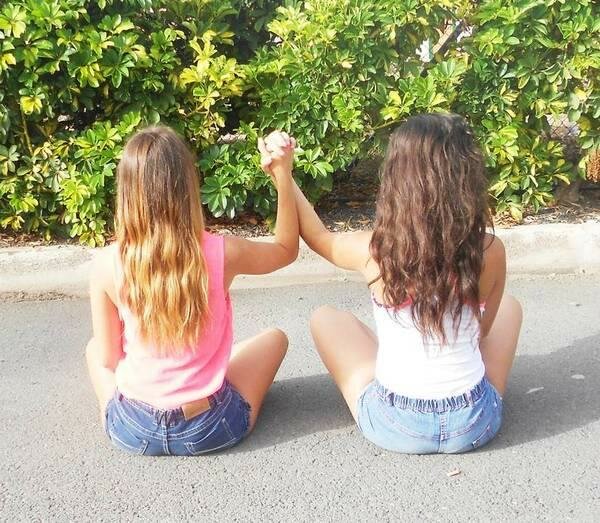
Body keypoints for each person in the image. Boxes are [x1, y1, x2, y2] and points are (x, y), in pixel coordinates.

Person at [260, 113, 522, 453]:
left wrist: (283, 175)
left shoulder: (376, 251)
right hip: (473, 422)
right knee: (510, 308)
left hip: (396, 424)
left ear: (398, 181)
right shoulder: (490, 251)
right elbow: (481, 333)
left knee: (325, 318)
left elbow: (320, 238)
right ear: (467, 180)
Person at [86, 126, 298, 455]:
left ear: (126, 191)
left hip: (134, 429)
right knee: (275, 339)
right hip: (211, 427)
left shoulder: (105, 264)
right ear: (187, 186)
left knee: (94, 350)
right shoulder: (224, 252)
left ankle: (121, 411)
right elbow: (285, 249)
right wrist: (282, 174)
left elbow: (109, 359)